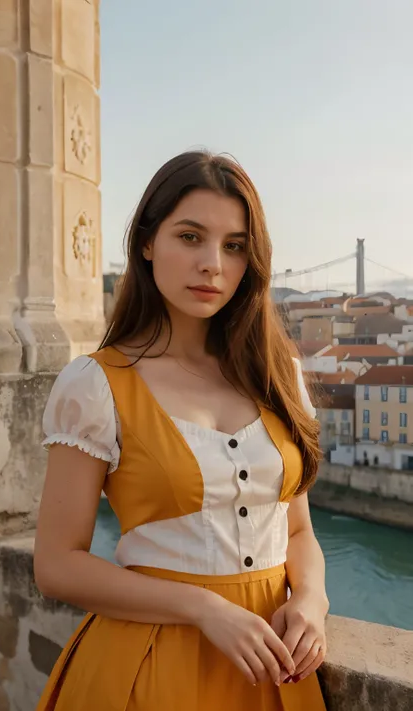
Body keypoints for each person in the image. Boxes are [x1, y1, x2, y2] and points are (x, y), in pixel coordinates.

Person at [34, 151, 329, 711]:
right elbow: (56, 565)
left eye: (234, 245)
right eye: (190, 237)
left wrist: (312, 599)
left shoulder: (277, 375)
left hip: (274, 672)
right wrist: (204, 607)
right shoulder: (96, 384)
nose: (213, 264)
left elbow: (297, 532)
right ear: (148, 242)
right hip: (145, 665)